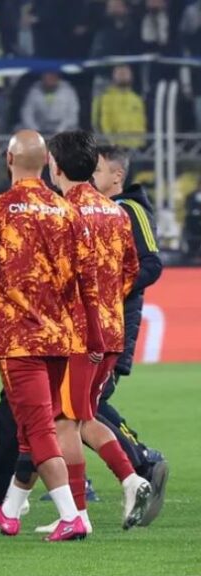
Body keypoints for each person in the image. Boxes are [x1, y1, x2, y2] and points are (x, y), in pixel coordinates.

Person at [0, 130, 101, 542]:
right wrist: (95, 334)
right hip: (60, 337)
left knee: (39, 429)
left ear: (9, 159)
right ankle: (9, 511)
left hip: (19, 340)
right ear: (47, 162)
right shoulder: (67, 211)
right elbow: (89, 278)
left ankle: (71, 516)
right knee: (32, 428)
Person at [38, 130, 152, 533]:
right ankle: (131, 480)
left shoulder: (61, 213)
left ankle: (77, 515)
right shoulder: (114, 212)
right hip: (110, 331)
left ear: (55, 166)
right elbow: (132, 271)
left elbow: (55, 278)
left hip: (76, 334)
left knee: (64, 422)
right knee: (84, 417)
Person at [93, 145, 168, 525]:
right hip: (101, 322)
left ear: (117, 176)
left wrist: (109, 289)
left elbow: (152, 263)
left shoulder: (130, 209)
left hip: (118, 323)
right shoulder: (100, 209)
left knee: (87, 403)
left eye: (98, 170)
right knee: (83, 403)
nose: (92, 176)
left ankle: (142, 459)